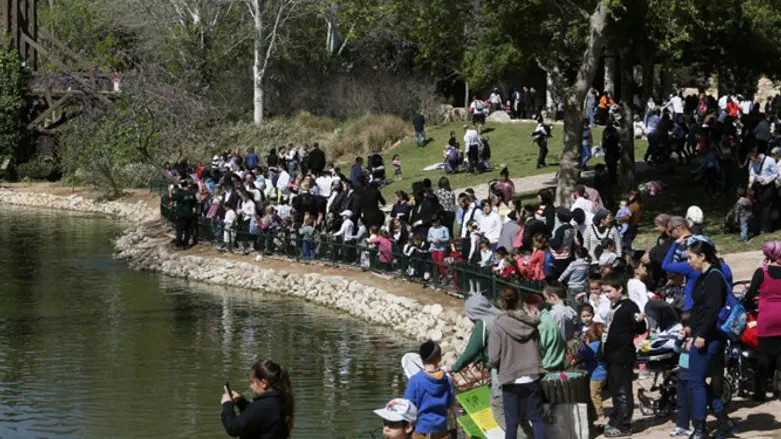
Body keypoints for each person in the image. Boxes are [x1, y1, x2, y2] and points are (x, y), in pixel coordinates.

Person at [685, 240, 735, 439]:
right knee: (695, 379)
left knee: (695, 381)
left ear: (702, 256)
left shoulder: (714, 276)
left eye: (690, 257)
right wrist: (690, 329)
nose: (689, 262)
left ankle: (701, 428)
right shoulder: (702, 277)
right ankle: (722, 419)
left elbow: (713, 309)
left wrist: (702, 334)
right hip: (702, 334)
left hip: (710, 336)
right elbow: (699, 308)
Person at [488, 288, 546, 439]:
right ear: (519, 301)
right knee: (537, 419)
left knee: (512, 423)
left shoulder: (497, 325)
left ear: (501, 302)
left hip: (510, 378)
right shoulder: (531, 323)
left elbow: (493, 357)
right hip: (532, 376)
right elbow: (540, 349)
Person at [601, 271, 647, 437]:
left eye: (609, 291)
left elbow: (639, 328)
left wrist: (640, 321)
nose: (607, 295)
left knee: (622, 391)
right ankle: (616, 419)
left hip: (622, 355)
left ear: (620, 288)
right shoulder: (615, 306)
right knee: (615, 390)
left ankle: (624, 424)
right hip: (612, 355)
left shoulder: (629, 306)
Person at [744, 240, 781, 401]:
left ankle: (760, 392)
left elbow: (750, 295)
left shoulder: (761, 272)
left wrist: (750, 304)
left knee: (764, 356)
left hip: (767, 318)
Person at [221, 360, 294, 439]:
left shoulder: (263, 406)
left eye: (252, 382)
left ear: (263, 383)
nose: (250, 386)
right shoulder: (278, 400)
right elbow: (258, 417)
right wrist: (241, 402)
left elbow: (233, 428)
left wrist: (227, 404)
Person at [404, 340, 455, 439]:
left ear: (421, 358)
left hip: (421, 429)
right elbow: (450, 405)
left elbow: (408, 405)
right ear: (439, 358)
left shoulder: (415, 380)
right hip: (441, 428)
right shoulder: (447, 380)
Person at [526, 293, 566, 371]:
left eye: (527, 313)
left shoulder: (542, 324)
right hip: (554, 365)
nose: (527, 316)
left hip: (548, 367)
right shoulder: (548, 319)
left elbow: (540, 349)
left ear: (533, 309)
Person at [579, 323, 608, 424]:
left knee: (595, 395)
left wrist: (583, 344)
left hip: (596, 376)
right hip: (603, 373)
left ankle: (600, 414)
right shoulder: (602, 345)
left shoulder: (592, 346)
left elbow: (583, 355)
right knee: (598, 394)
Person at [671, 314, 694, 437]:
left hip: (692, 372)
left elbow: (691, 351)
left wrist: (690, 342)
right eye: (683, 325)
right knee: (681, 401)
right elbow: (676, 349)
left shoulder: (696, 338)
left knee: (691, 401)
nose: (684, 328)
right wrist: (679, 339)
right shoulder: (684, 338)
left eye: (687, 326)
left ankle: (695, 426)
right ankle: (681, 425)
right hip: (682, 371)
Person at [748, 149, 779, 233]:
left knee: (767, 207)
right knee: (759, 206)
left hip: (768, 186)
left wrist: (767, 181)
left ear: (758, 157)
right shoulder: (753, 161)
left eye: (753, 160)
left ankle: (766, 228)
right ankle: (758, 227)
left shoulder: (770, 160)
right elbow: (752, 174)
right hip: (758, 186)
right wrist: (750, 185)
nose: (752, 162)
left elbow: (776, 174)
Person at [174, 182, 198, 250]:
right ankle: (185, 244)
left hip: (180, 215)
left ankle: (178, 245)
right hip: (189, 215)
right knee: (188, 231)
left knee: (179, 231)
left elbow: (173, 199)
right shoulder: (192, 195)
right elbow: (194, 203)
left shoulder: (180, 194)